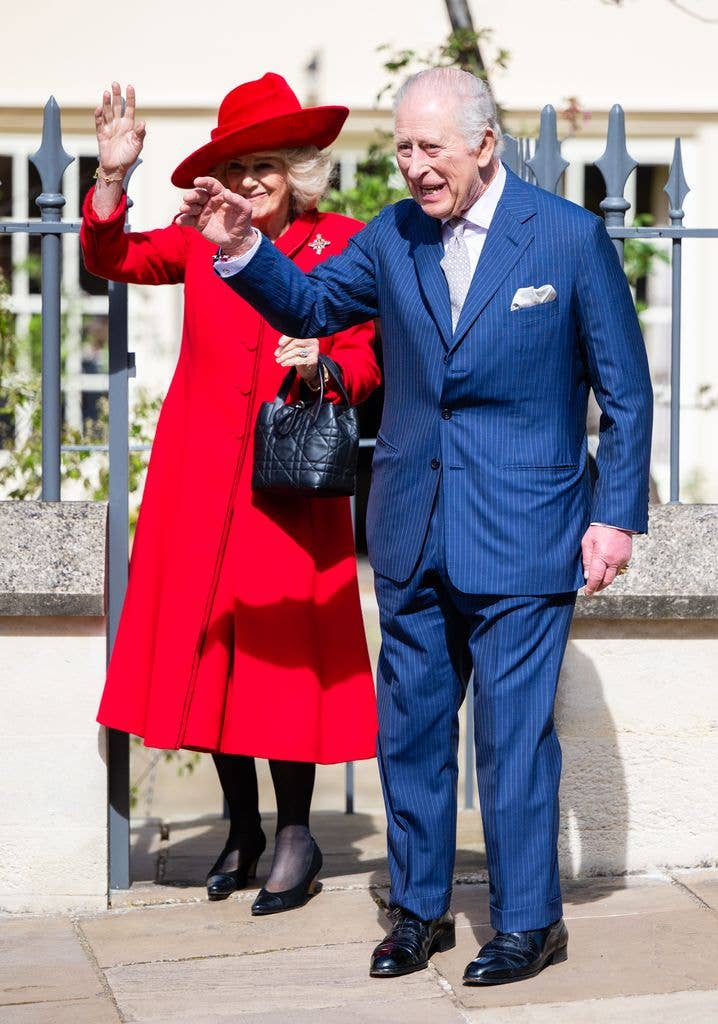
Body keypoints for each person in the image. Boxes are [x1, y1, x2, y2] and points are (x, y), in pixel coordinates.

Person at [177, 66, 653, 982]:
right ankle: (419, 913)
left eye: (430, 148)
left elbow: (626, 397)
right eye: (402, 148)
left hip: (528, 529)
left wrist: (615, 519)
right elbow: (313, 307)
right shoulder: (392, 236)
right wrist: (242, 251)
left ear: (484, 144)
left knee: (513, 738)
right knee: (413, 736)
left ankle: (526, 923)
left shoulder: (565, 238)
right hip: (410, 527)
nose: (414, 168)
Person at [82, 74, 380, 913]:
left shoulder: (343, 243)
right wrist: (110, 178)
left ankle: (295, 832)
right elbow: (110, 257)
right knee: (212, 650)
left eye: (269, 165)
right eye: (241, 164)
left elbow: (365, 359)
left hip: (289, 480)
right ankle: (242, 825)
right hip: (198, 472)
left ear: (297, 171)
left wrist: (324, 365)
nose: (252, 180)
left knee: (284, 659)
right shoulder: (201, 237)